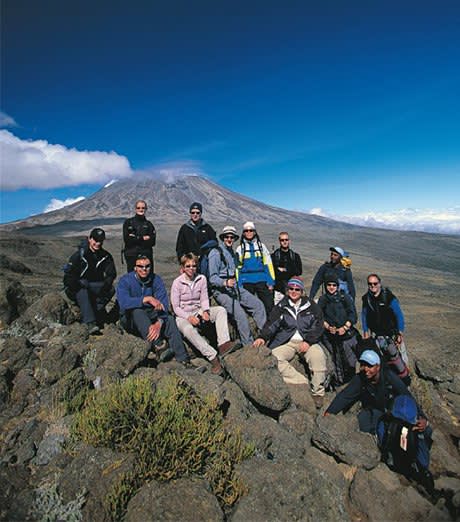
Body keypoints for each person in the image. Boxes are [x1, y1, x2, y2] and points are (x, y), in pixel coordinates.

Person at [325, 350, 433, 491]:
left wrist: (423, 418)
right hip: (377, 414)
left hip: (397, 415)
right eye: (363, 365)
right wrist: (329, 412)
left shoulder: (389, 377)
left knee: (421, 430)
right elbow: (345, 396)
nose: (365, 369)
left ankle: (421, 468)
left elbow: (407, 396)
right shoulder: (360, 379)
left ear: (378, 366)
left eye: (369, 366)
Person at [253, 277, 327, 409]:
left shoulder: (311, 306)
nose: (294, 291)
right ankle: (301, 382)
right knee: (274, 358)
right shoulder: (281, 306)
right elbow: (271, 324)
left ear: (302, 291)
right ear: (287, 290)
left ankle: (318, 393)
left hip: (306, 341)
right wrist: (262, 337)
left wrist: (309, 341)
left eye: (297, 289)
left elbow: (318, 325)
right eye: (291, 288)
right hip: (286, 341)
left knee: (318, 356)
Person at [171, 253, 239, 375]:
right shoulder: (177, 283)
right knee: (188, 330)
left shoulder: (201, 279)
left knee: (220, 311)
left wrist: (206, 311)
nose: (191, 268)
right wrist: (188, 317)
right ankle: (213, 357)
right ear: (182, 268)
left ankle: (224, 345)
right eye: (188, 266)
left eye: (194, 266)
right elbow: (175, 307)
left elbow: (204, 298)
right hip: (183, 315)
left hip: (198, 310)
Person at [116, 255, 191, 365]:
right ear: (135, 268)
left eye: (147, 266)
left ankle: (183, 359)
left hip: (151, 316)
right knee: (137, 311)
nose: (144, 269)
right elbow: (123, 302)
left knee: (169, 319)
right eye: (140, 266)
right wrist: (146, 299)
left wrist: (159, 322)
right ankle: (160, 346)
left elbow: (164, 304)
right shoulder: (125, 281)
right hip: (130, 319)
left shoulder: (156, 280)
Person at [208, 225, 266, 345]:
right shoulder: (215, 253)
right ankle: (248, 345)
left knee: (258, 305)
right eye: (226, 237)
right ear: (223, 238)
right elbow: (212, 278)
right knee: (240, 315)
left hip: (234, 287)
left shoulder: (232, 253)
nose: (229, 239)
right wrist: (225, 282)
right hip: (220, 290)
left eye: (231, 237)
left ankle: (265, 337)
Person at [63, 228, 116, 335]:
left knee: (111, 289)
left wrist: (105, 285)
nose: (97, 243)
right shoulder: (79, 256)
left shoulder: (105, 256)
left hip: (93, 286)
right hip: (77, 288)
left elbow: (111, 274)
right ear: (89, 239)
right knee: (82, 291)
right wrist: (79, 283)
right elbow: (68, 277)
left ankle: (95, 310)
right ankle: (90, 322)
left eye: (100, 241)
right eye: (95, 240)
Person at [362, 273, 410, 379]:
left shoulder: (388, 297)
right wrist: (365, 330)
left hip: (392, 333)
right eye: (370, 284)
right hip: (377, 334)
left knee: (399, 356)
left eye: (375, 283)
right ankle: (387, 378)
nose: (372, 286)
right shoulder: (366, 299)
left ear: (379, 283)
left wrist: (400, 332)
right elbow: (364, 315)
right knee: (382, 358)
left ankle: (406, 376)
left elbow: (399, 315)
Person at [318, 274, 359, 386]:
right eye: (329, 285)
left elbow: (353, 315)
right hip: (330, 336)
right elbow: (319, 317)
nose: (331, 287)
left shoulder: (344, 297)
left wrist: (345, 327)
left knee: (350, 361)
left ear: (337, 286)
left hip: (346, 335)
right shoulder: (323, 299)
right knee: (335, 359)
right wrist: (327, 327)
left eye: (334, 285)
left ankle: (352, 381)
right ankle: (339, 381)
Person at [235, 221, 275, 315]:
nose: (249, 232)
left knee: (269, 305)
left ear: (254, 232)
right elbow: (237, 268)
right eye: (246, 231)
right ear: (244, 233)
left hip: (261, 279)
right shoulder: (240, 249)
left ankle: (270, 327)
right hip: (246, 281)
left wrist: (271, 281)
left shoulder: (262, 247)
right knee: (246, 306)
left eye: (251, 230)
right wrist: (239, 283)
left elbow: (268, 264)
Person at [122, 200, 156, 272]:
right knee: (132, 278)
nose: (141, 209)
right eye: (138, 208)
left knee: (147, 277)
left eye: (143, 208)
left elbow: (152, 242)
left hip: (146, 257)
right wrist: (142, 238)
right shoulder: (128, 222)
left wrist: (135, 238)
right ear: (135, 209)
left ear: (146, 209)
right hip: (132, 256)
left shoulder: (149, 224)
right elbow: (127, 240)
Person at [272, 232, 303, 304]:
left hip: (292, 290)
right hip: (278, 291)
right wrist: (291, 270)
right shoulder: (274, 256)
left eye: (286, 239)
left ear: (289, 241)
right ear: (279, 241)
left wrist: (284, 270)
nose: (284, 242)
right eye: (282, 240)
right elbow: (273, 272)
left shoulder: (295, 256)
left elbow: (299, 271)